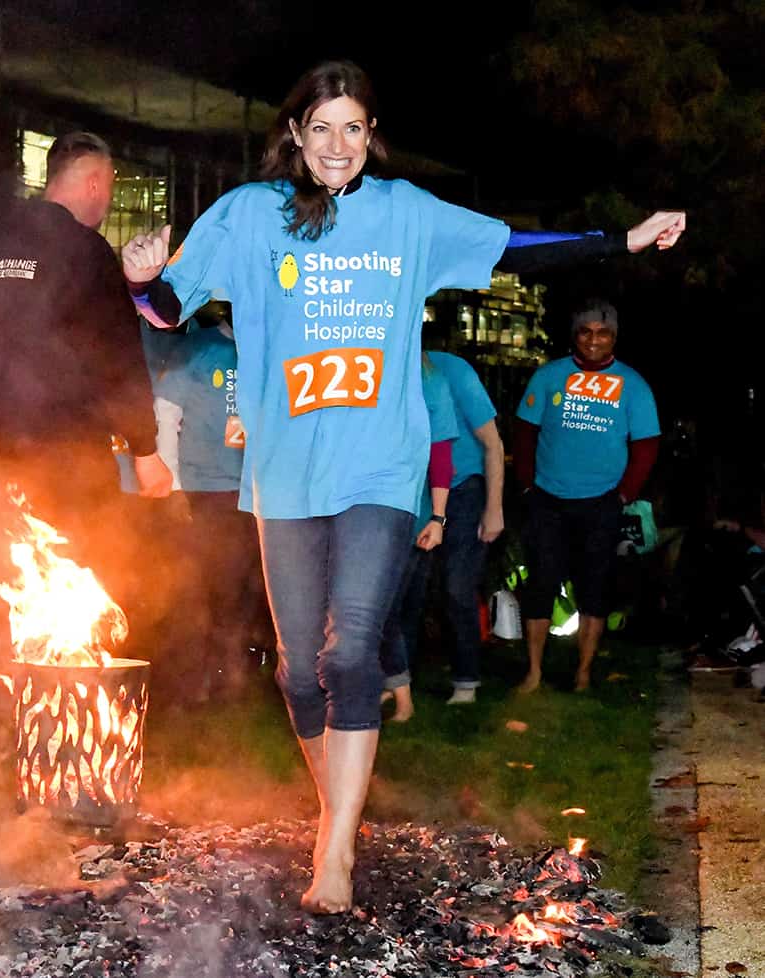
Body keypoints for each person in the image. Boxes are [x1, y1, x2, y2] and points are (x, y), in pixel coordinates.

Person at [122, 60, 684, 913]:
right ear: (295, 135)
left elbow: (514, 246)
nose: (337, 145)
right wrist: (139, 281)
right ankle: (336, 808)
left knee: (350, 654)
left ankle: (336, 847)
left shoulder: (405, 215)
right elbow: (168, 308)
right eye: (321, 127)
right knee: (297, 672)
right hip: (284, 475)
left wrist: (623, 241)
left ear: (371, 136)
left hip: (381, 468)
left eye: (353, 127)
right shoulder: (246, 218)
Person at [0, 130, 174, 539]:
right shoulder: (87, 251)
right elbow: (119, 359)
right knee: (82, 578)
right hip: (68, 463)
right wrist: (145, 451)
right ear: (96, 183)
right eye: (111, 187)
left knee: (1, 584)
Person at [514, 299, 661, 694]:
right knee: (541, 584)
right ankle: (533, 672)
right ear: (575, 335)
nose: (594, 340)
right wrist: (528, 485)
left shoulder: (633, 385)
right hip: (548, 498)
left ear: (614, 337)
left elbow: (646, 445)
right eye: (586, 331)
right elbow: (524, 433)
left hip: (601, 503)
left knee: (595, 588)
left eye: (604, 332)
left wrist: (625, 493)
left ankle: (582, 673)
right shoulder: (549, 377)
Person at [155, 313, 271, 699]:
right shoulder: (198, 348)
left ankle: (243, 672)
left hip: (263, 493)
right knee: (214, 587)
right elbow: (164, 414)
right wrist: (172, 487)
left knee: (256, 588)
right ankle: (207, 678)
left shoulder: (272, 342)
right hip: (210, 492)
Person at [378, 356, 456, 723]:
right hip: (360, 511)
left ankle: (403, 698)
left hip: (408, 514)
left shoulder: (430, 380)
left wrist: (438, 518)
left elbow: (441, 455)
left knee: (387, 610)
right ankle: (388, 687)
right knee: (381, 610)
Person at [426, 350, 505, 705]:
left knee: (458, 586)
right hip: (412, 492)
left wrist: (494, 509)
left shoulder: (454, 370)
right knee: (411, 589)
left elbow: (493, 443)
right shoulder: (380, 363)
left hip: (463, 488)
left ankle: (466, 680)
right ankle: (399, 679)